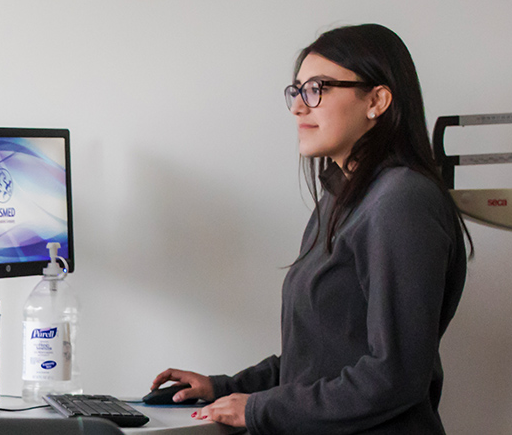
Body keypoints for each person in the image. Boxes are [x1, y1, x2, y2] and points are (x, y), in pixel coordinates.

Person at [151, 24, 470, 434]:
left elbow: (395, 375)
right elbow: (322, 358)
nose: (299, 107)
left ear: (377, 100)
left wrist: (258, 410)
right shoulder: (340, 201)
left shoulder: (401, 202)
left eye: (317, 88)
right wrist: (225, 387)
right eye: (297, 91)